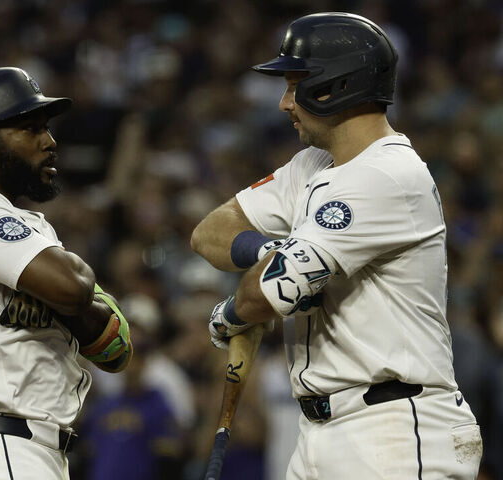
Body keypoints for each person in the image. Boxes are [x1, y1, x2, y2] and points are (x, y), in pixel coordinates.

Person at [190, 12, 483, 480]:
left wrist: (231, 313)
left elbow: (260, 296)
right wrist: (273, 253)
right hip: (320, 432)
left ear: (334, 86)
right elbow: (209, 232)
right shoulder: (312, 164)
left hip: (393, 428)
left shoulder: (387, 173)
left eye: (294, 84)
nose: (284, 102)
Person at [0, 67, 132, 480]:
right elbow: (74, 289)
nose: (49, 141)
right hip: (1, 448)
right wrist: (72, 288)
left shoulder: (7, 220)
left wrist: (67, 289)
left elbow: (117, 349)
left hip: (15, 451)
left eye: (46, 128)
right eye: (30, 129)